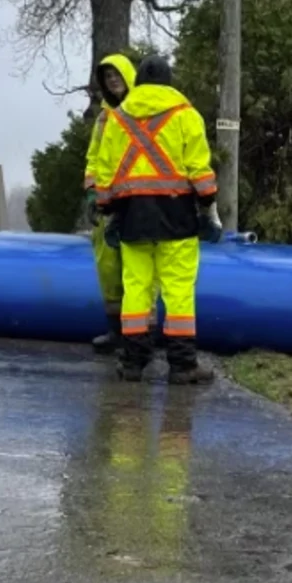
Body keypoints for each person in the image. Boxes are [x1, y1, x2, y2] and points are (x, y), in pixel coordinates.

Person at [91, 55, 222, 384]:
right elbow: (199, 168)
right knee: (177, 291)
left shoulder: (117, 119)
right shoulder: (185, 115)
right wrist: (208, 206)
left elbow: (105, 171)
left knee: (136, 290)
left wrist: (107, 210)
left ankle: (133, 362)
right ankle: (182, 366)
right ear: (169, 82)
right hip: (177, 216)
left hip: (132, 217)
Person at [82, 54, 136, 354]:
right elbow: (94, 156)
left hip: (135, 202)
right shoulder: (104, 118)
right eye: (108, 76)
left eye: (117, 74)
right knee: (108, 268)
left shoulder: (140, 111)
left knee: (137, 270)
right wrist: (92, 191)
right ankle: (116, 331)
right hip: (107, 202)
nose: (113, 80)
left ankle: (137, 337)